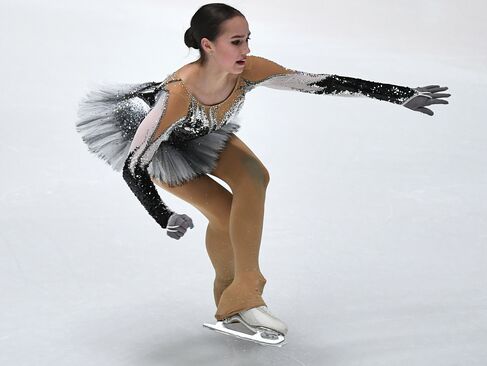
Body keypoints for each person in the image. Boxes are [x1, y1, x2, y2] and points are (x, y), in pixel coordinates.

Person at [75, 3, 450, 343]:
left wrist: (397, 94)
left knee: (255, 176)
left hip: (205, 133)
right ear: (207, 45)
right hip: (165, 151)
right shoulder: (176, 95)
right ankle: (240, 298)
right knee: (223, 214)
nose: (247, 50)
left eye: (248, 40)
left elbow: (320, 83)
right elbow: (134, 165)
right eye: (236, 42)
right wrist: (163, 215)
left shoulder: (250, 71)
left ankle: (238, 299)